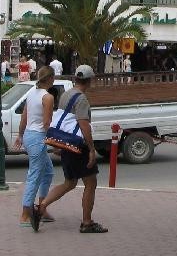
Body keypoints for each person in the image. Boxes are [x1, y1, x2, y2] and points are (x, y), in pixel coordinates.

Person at [37, 65, 108, 233]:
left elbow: (63, 121)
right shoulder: (82, 99)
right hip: (78, 146)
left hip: (66, 144)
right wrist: (91, 149)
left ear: (76, 78)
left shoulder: (66, 94)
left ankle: (41, 206)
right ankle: (87, 222)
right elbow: (84, 124)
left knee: (70, 182)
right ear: (89, 81)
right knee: (90, 182)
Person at [14, 66, 56, 227]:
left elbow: (24, 116)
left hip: (29, 135)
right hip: (38, 137)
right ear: (50, 78)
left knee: (48, 172)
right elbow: (47, 123)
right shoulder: (47, 97)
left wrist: (20, 135)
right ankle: (25, 214)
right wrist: (54, 141)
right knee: (35, 175)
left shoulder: (31, 93)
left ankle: (41, 208)